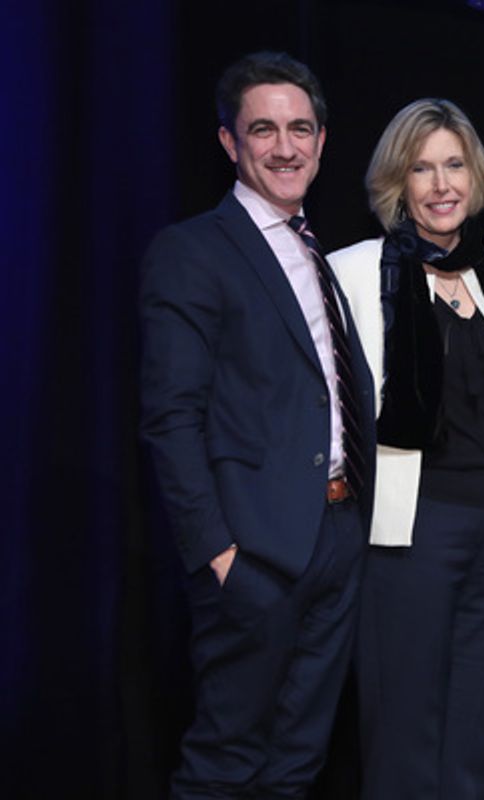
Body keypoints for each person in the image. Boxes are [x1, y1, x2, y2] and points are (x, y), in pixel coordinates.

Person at [139, 51, 376, 797]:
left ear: (322, 139)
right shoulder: (193, 251)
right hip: (254, 558)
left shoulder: (317, 251)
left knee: (296, 763)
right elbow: (171, 418)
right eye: (263, 129)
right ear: (229, 143)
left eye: (299, 128)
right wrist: (217, 554)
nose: (285, 146)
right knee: (225, 761)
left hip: (337, 538)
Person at [327, 98, 484, 800]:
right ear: (399, 181)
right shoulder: (356, 269)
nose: (442, 183)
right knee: (405, 724)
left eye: (454, 164)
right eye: (422, 168)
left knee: (471, 723)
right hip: (407, 532)